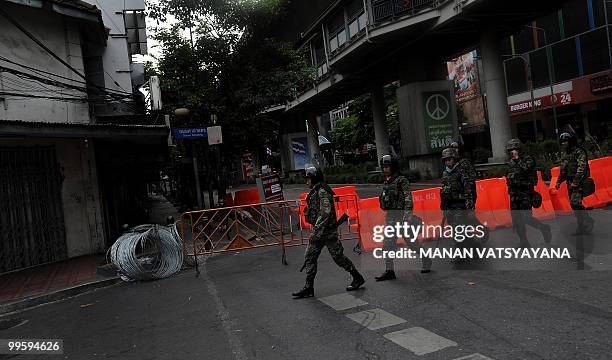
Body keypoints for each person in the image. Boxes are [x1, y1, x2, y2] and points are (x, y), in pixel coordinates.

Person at [292, 166, 365, 299]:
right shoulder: (316, 191)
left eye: (308, 179)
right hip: (319, 232)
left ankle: (357, 277)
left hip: (327, 232)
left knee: (338, 258)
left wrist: (316, 230)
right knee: (310, 256)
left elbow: (325, 213)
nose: (306, 182)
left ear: (314, 179)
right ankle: (309, 287)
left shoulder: (322, 192)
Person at [375, 155, 431, 282]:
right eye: (384, 167)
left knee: (412, 244)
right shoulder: (387, 181)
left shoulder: (401, 180)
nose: (386, 169)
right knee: (388, 244)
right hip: (391, 218)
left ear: (393, 166)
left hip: (403, 218)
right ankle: (389, 271)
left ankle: (426, 259)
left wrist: (408, 215)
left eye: (388, 166)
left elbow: (407, 197)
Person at [440, 148, 487, 261]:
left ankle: (462, 253)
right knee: (458, 230)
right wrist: (444, 207)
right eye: (445, 160)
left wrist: (470, 209)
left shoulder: (461, 172)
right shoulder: (445, 173)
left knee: (459, 230)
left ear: (454, 159)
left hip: (461, 206)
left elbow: (468, 191)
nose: (448, 162)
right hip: (451, 207)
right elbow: (443, 192)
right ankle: (474, 248)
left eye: (450, 159)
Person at [505, 139, 552, 247]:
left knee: (526, 217)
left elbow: (525, 169)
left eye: (515, 149)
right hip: (514, 194)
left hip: (525, 193)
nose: (512, 152)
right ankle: (524, 241)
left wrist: (517, 159)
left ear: (519, 150)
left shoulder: (527, 159)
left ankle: (544, 228)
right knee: (516, 219)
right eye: (510, 150)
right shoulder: (510, 163)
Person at [555, 132, 594, 234]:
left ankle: (588, 220)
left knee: (575, 202)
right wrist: (559, 181)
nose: (564, 143)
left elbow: (582, 167)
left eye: (566, 141)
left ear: (571, 141)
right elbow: (563, 169)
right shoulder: (565, 153)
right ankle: (581, 226)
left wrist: (576, 182)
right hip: (569, 182)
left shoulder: (579, 152)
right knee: (574, 206)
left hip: (579, 182)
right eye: (562, 141)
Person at [450, 141, 478, 206]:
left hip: (467, 192)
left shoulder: (465, 161)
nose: (454, 150)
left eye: (456, 148)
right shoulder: (450, 162)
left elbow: (472, 176)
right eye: (452, 148)